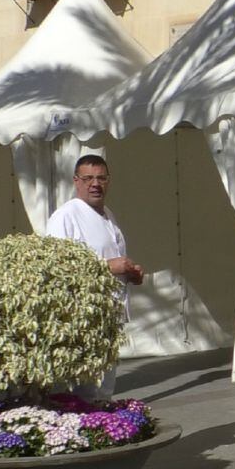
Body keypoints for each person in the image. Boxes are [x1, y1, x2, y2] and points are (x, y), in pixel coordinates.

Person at [46, 154, 143, 401]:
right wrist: (109, 266)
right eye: (88, 178)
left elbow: (112, 261)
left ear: (109, 181)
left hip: (109, 315)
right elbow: (55, 268)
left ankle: (102, 428)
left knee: (103, 388)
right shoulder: (66, 216)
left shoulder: (107, 214)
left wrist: (129, 273)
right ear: (76, 181)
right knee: (84, 390)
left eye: (101, 178)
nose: (95, 184)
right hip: (83, 318)